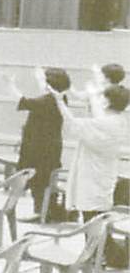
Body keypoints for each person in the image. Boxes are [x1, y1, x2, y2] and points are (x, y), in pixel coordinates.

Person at [57, 81, 129, 215]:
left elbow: (73, 125)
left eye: (102, 97)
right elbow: (98, 118)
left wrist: (59, 102)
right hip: (105, 172)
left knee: (91, 212)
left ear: (107, 102)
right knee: (100, 211)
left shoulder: (103, 124)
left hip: (92, 174)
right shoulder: (120, 121)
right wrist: (92, 95)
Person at [10, 67, 69, 218]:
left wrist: (9, 84)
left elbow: (22, 101)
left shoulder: (45, 101)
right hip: (50, 146)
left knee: (38, 181)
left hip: (39, 148)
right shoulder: (60, 98)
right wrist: (40, 78)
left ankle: (42, 213)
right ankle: (46, 212)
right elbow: (44, 91)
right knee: (45, 180)